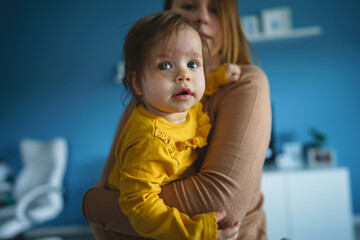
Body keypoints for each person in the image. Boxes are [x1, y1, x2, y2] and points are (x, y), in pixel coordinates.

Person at [82, 0, 272, 239]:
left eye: (214, 9)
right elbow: (124, 198)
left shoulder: (240, 83)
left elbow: (224, 207)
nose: (202, 17)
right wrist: (95, 207)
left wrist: (96, 206)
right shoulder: (147, 115)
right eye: (189, 6)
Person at [108, 11, 241, 240]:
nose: (184, 75)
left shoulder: (180, 106)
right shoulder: (149, 141)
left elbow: (200, 88)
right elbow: (140, 207)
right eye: (165, 65)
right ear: (138, 83)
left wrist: (218, 77)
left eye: (192, 63)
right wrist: (199, 231)